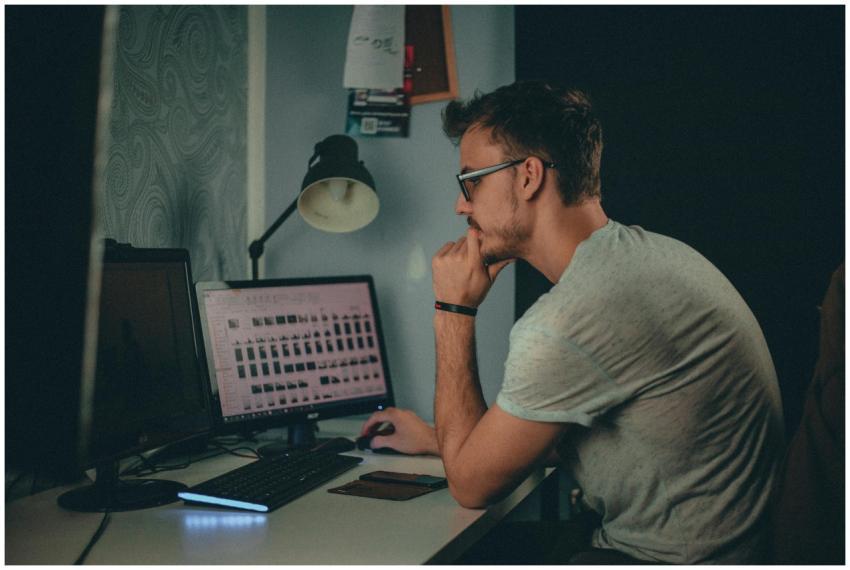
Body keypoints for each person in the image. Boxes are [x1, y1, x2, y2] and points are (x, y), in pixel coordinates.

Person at [360, 81, 785, 564]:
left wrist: (453, 310)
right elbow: (564, 439)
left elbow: (470, 486)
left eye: (471, 180)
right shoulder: (647, 258)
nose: (462, 205)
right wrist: (434, 439)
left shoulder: (572, 317)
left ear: (528, 177)